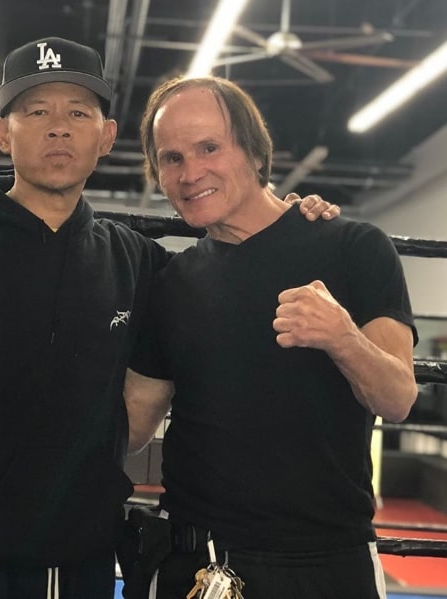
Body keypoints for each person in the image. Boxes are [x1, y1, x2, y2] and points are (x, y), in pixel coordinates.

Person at [0, 37, 337, 599]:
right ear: (2, 133)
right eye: (36, 111)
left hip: (77, 568)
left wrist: (289, 218)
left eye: (78, 112)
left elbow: (224, 273)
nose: (57, 127)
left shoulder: (133, 261)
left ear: (105, 137)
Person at [123, 76, 418, 599]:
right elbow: (130, 425)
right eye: (172, 158)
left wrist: (342, 337)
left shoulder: (354, 248)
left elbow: (397, 399)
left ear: (256, 154)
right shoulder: (171, 282)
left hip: (326, 560)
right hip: (196, 560)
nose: (191, 173)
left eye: (209, 147)